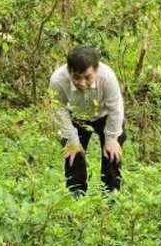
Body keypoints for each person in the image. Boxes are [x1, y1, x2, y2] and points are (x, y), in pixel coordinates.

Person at [49, 46, 125, 195]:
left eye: (87, 77)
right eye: (76, 77)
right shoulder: (58, 80)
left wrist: (111, 139)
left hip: (105, 115)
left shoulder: (107, 77)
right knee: (73, 154)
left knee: (112, 153)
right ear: (69, 71)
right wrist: (72, 140)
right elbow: (58, 109)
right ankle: (76, 197)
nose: (82, 83)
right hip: (76, 117)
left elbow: (115, 109)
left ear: (97, 70)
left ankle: (111, 198)